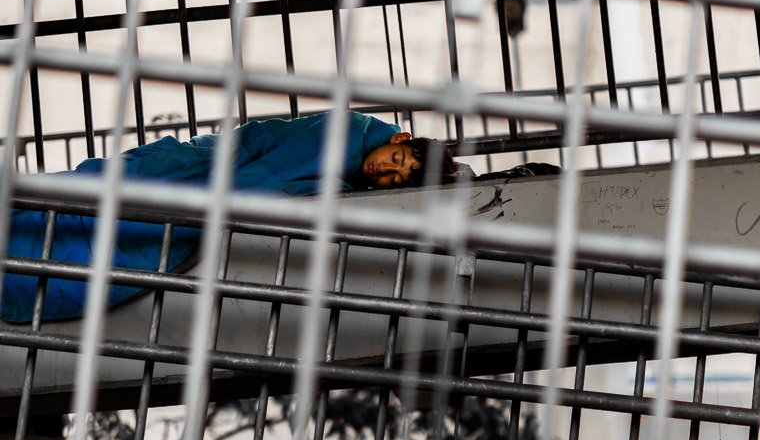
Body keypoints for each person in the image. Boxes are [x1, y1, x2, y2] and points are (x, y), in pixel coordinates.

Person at [1, 112, 456, 323]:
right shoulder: (344, 135)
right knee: (79, 214)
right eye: (399, 159)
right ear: (401, 138)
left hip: (195, 196)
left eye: (399, 178)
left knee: (88, 231)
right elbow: (259, 164)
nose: (388, 170)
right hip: (193, 179)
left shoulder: (346, 181)